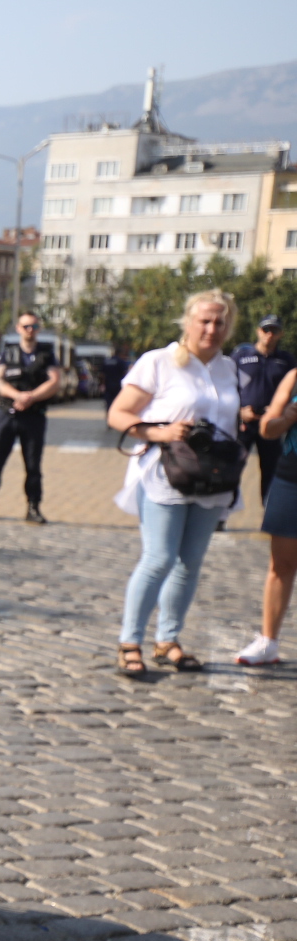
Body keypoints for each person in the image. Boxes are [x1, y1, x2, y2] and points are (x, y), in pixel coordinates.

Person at [107, 289, 242, 677]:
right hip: (165, 474)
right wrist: (161, 432)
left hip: (212, 478)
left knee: (190, 564)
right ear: (188, 321)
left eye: (220, 322)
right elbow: (119, 414)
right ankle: (129, 641)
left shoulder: (229, 368)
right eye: (204, 320)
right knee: (160, 558)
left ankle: (168, 640)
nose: (212, 328)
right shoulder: (160, 362)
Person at [0, 311, 61, 524]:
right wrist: (17, 396)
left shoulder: (47, 353)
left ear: (39, 329)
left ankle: (33, 508)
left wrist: (30, 397)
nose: (30, 331)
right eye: (26, 326)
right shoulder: (8, 353)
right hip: (7, 415)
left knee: (33, 465)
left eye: (34, 327)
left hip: (34, 416)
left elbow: (54, 381)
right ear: (19, 329)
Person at [239, 359, 297, 666]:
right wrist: (289, 415)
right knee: (281, 565)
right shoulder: (294, 378)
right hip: (291, 479)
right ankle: (268, 642)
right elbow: (267, 428)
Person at [233, 315, 292, 502]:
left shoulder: (286, 361)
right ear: (258, 331)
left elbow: (292, 391)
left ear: (280, 334)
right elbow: (226, 388)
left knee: (271, 470)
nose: (269, 335)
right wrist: (240, 412)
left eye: (274, 331)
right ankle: (222, 514)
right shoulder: (241, 357)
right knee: (232, 467)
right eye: (266, 330)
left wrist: (281, 412)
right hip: (244, 423)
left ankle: (269, 512)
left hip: (271, 424)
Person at [100, 340, 132, 412]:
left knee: (109, 404)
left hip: (108, 386)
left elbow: (102, 375)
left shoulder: (107, 361)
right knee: (118, 404)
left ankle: (109, 418)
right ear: (120, 353)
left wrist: (102, 384)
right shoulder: (121, 362)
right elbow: (126, 374)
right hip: (118, 386)